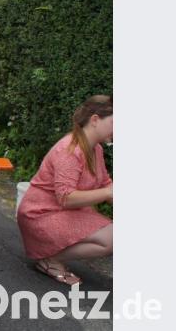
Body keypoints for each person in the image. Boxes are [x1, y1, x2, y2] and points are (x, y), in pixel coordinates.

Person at [17, 95, 113, 286]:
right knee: (112, 238)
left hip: (63, 212)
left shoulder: (96, 149)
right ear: (95, 120)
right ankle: (50, 259)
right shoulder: (70, 150)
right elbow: (66, 198)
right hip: (41, 214)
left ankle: (51, 257)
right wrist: (108, 193)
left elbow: (105, 183)